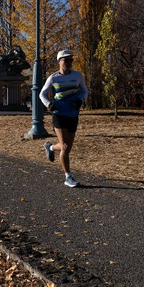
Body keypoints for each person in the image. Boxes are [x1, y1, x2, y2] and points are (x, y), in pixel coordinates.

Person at [39, 49, 88, 187]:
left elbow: (85, 91)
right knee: (65, 146)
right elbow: (42, 94)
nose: (69, 62)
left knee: (67, 147)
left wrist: (81, 100)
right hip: (59, 114)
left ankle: (50, 147)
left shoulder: (78, 76)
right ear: (59, 61)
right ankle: (68, 177)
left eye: (71, 60)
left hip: (73, 114)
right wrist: (49, 104)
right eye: (66, 60)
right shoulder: (53, 78)